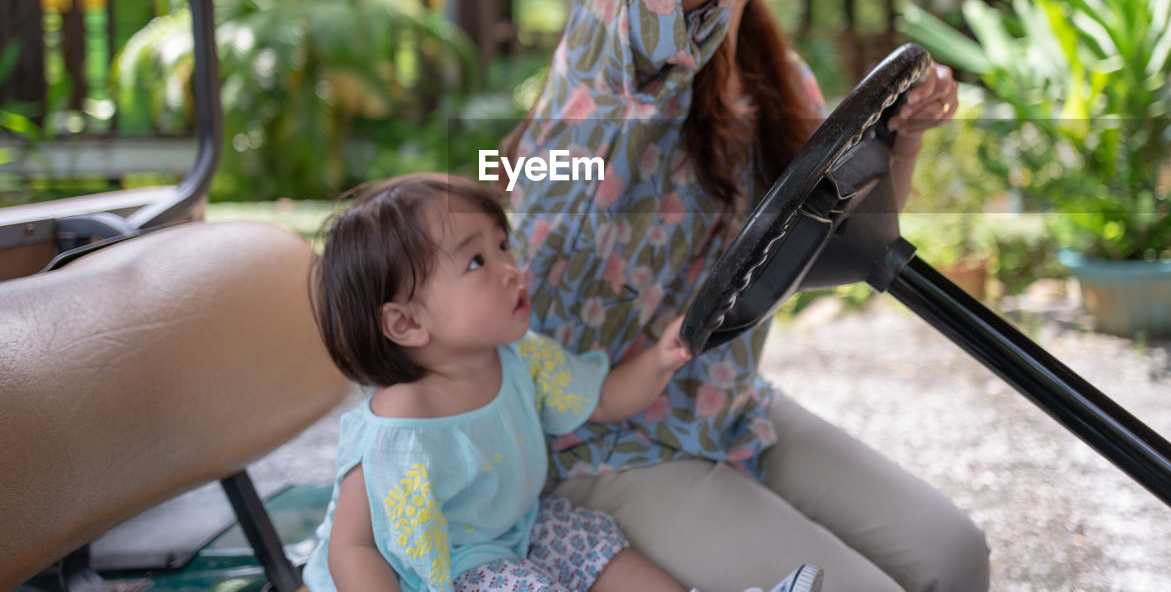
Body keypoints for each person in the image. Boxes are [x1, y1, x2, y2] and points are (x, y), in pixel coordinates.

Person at [504, 0, 988, 591]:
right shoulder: (613, 19)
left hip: (720, 400)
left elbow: (847, 242)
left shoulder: (773, 70)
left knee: (955, 552)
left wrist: (905, 134)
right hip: (598, 436)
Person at [302, 173, 825, 592]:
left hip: (516, 529)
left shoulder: (518, 357)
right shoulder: (400, 425)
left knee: (595, 543)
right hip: (439, 574)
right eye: (477, 261)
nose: (512, 269)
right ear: (406, 323)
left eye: (504, 245)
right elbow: (354, 548)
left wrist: (661, 359)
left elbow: (602, 400)